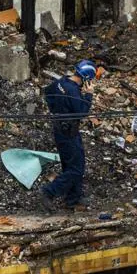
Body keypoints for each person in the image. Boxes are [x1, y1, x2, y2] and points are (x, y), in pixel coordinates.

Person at [41, 60, 98, 207]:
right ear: (86, 78)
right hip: (69, 132)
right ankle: (49, 191)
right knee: (76, 168)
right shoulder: (73, 91)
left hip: (59, 129)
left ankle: (73, 198)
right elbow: (82, 112)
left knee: (69, 164)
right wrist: (89, 95)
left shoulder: (61, 82)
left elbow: (47, 94)